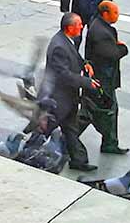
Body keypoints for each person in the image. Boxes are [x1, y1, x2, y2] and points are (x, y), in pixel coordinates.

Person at [40, 13, 101, 171]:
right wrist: (87, 82)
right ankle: (28, 150)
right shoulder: (59, 46)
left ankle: (78, 161)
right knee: (44, 129)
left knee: (71, 129)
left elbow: (74, 57)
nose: (82, 26)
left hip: (68, 98)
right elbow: (64, 74)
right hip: (58, 99)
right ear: (70, 27)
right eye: (79, 24)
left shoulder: (66, 40)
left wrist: (84, 64)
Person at [84, 0, 129, 155]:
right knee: (97, 113)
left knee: (104, 111)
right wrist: (123, 48)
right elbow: (112, 55)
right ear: (105, 13)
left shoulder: (99, 25)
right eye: (115, 12)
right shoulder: (101, 33)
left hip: (101, 79)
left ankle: (109, 142)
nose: (118, 15)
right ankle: (67, 140)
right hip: (103, 80)